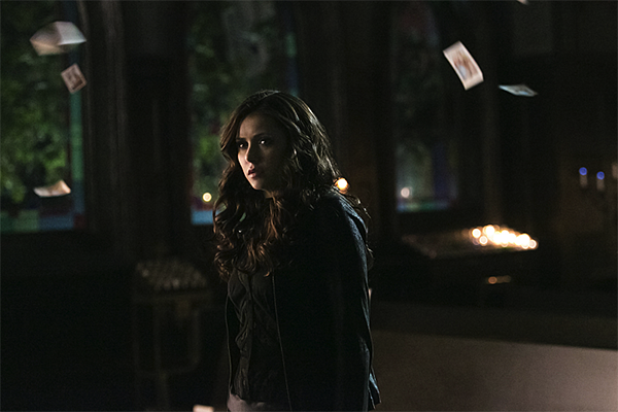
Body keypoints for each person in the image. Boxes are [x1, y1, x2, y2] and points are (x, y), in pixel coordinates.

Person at [213, 90, 380, 412]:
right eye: (242, 144)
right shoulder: (254, 219)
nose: (249, 156)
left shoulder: (329, 217)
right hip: (244, 400)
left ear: (295, 145)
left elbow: (351, 338)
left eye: (265, 142)